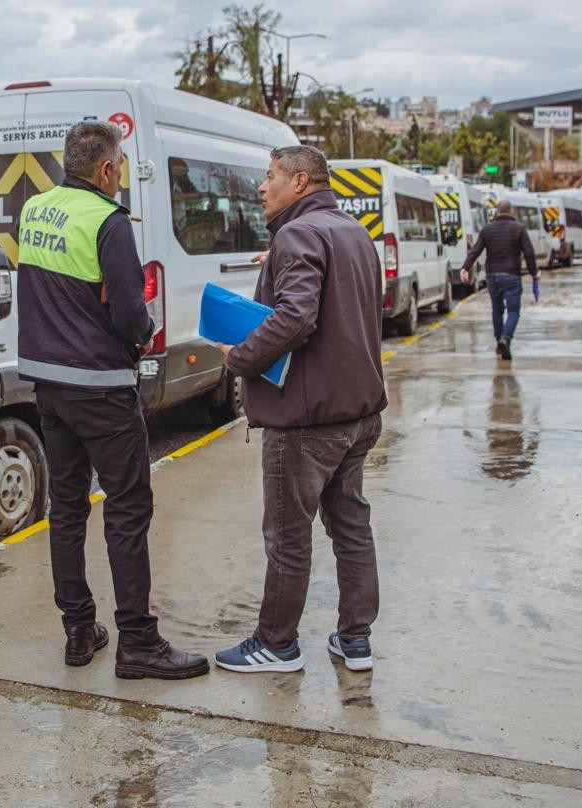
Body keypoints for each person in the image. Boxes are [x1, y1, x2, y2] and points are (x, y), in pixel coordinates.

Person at [16, 121, 209, 681]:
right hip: (101, 387)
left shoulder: (36, 210)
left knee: (68, 508)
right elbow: (128, 314)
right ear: (104, 170)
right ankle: (138, 644)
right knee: (127, 507)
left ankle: (79, 630)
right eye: (119, 166)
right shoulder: (108, 221)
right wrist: (141, 327)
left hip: (48, 386)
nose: (120, 176)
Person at [213, 144, 387, 674]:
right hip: (357, 412)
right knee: (350, 525)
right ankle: (355, 640)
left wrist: (240, 358)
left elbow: (298, 317)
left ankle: (277, 643)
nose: (262, 188)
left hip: (308, 419)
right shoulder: (352, 231)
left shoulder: (297, 234)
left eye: (270, 177)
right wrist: (280, 262)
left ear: (301, 181)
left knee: (288, 535)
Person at [460, 199, 539, 360]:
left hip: (492, 276)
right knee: (514, 311)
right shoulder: (519, 229)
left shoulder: (487, 230)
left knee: (497, 310)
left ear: (496, 212)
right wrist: (534, 273)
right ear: (511, 212)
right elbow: (529, 253)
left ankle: (500, 342)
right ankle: (506, 338)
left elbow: (475, 251)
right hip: (511, 275)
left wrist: (465, 267)